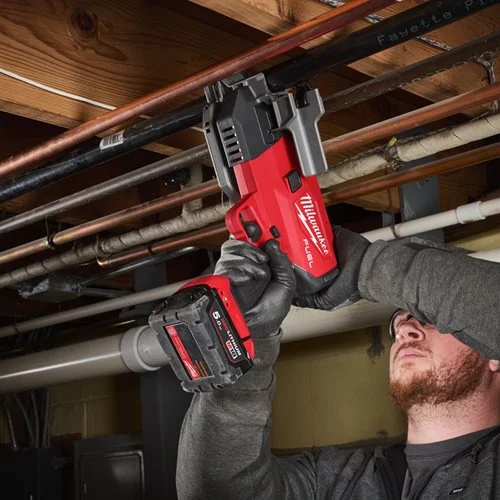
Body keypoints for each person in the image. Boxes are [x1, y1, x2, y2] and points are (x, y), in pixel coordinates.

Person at [176, 227, 500, 499]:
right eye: (399, 322)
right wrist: (246, 341)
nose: (404, 330)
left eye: (430, 320)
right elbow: (217, 492)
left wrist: (365, 267)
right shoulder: (342, 481)